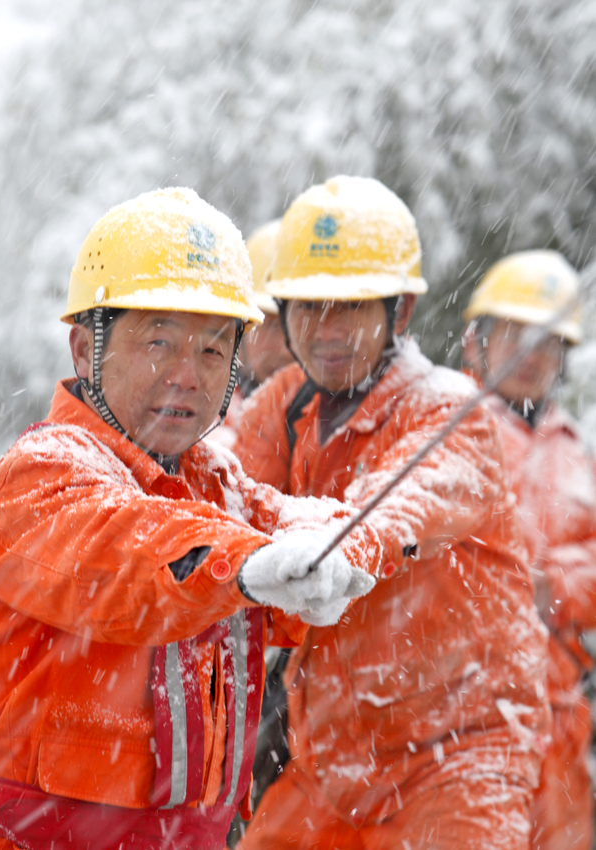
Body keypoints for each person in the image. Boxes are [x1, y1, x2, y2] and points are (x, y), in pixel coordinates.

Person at [0, 188, 382, 850]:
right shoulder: (41, 473)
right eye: (158, 342)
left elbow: (292, 528)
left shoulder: (211, 481)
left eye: (211, 351)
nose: (186, 375)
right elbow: (125, 552)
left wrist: (336, 554)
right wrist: (247, 566)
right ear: (84, 350)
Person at [232, 176, 550, 850]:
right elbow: (217, 488)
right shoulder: (286, 404)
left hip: (462, 758)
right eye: (308, 308)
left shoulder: (448, 408)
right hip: (328, 765)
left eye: (350, 307)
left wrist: (335, 551)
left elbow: (394, 509)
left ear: (399, 312)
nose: (326, 331)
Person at [463, 250, 595, 850]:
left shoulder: (579, 454)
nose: (531, 354)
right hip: (458, 721)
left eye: (547, 342)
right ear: (476, 342)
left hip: (561, 724)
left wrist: (557, 586)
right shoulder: (442, 431)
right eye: (514, 334)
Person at [210, 219, 293, 449]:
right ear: (240, 326)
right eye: (273, 325)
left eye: (301, 325)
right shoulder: (203, 421)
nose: (287, 348)